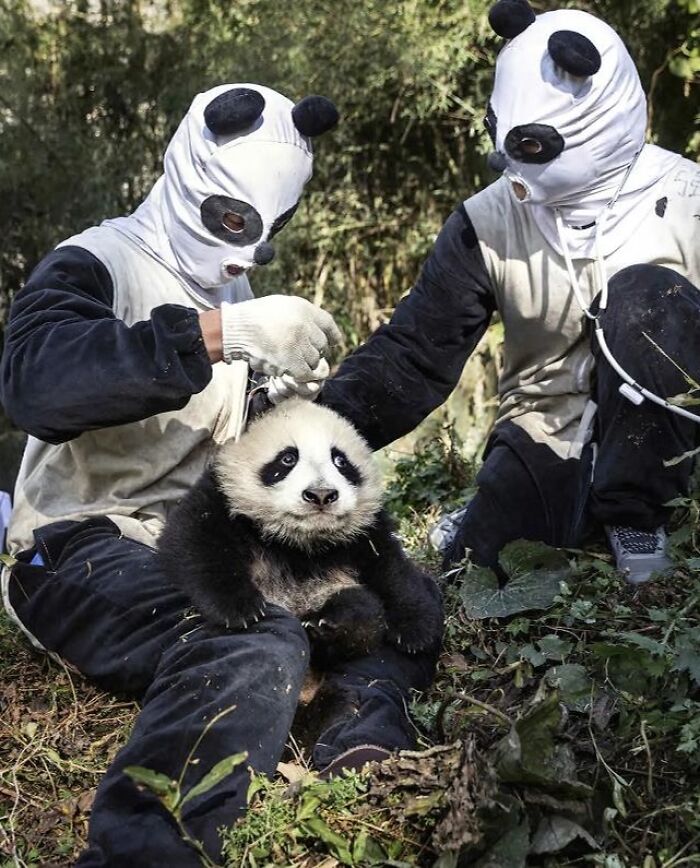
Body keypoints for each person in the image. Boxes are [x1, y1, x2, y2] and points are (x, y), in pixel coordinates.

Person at [0, 84, 438, 866]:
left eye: (267, 237)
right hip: (75, 548)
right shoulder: (98, 261)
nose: (244, 253)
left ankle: (354, 732)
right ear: (187, 174)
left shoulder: (231, 281)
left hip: (206, 536)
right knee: (251, 637)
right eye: (234, 223)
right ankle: (142, 852)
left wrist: (283, 398)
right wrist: (215, 334)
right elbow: (37, 384)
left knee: (390, 604)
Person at [320, 0, 700, 585]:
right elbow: (415, 354)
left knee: (647, 297)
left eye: (528, 146)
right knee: (481, 563)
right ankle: (496, 508)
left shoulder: (688, 200)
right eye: (501, 136)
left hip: (671, 439)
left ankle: (638, 513)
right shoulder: (486, 220)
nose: (505, 161)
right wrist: (313, 435)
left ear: (599, 120)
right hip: (546, 422)